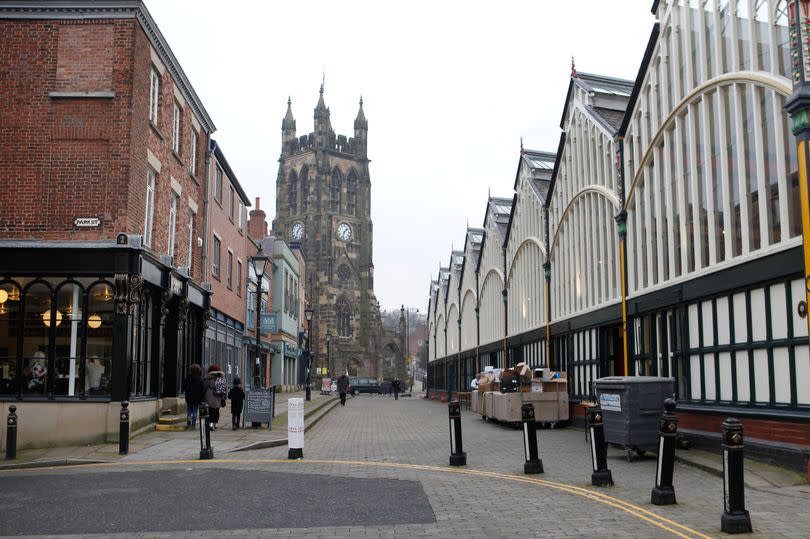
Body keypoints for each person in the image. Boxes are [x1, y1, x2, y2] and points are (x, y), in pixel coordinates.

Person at [202, 364, 226, 430]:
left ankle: (211, 424)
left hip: (209, 398)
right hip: (218, 398)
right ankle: (215, 424)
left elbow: (203, 389)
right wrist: (223, 399)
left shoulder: (207, 380)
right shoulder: (221, 380)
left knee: (210, 411)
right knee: (216, 411)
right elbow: (224, 390)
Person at [183, 363, 204, 428]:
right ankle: (193, 425)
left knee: (189, 409)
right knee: (195, 410)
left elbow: (184, 386)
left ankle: (189, 418)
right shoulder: (200, 379)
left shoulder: (188, 378)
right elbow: (202, 389)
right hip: (196, 397)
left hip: (188, 396)